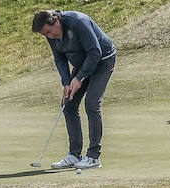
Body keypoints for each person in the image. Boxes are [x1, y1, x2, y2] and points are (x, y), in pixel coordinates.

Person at [32, 9, 116, 170]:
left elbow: (95, 51)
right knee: (68, 103)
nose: (49, 37)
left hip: (103, 60)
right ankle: (75, 154)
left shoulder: (77, 22)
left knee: (91, 104)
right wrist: (66, 82)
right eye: (45, 35)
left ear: (56, 21)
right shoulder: (51, 34)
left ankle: (93, 157)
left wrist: (79, 78)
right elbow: (60, 59)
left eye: (49, 32)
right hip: (82, 63)